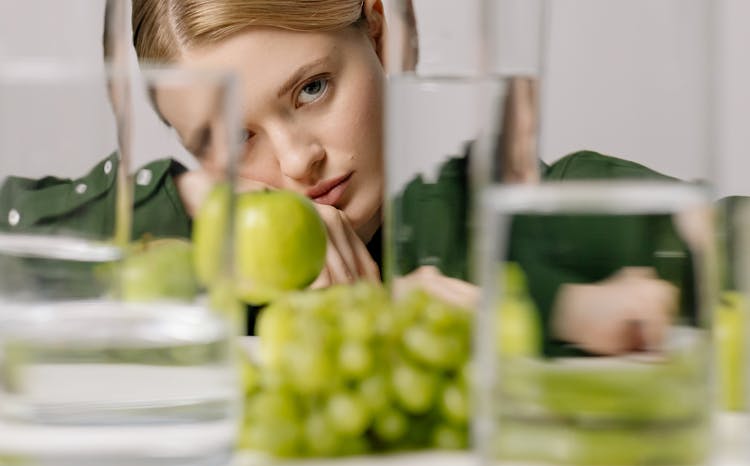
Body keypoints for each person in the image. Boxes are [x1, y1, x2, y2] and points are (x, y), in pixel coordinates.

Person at [0, 0, 699, 356]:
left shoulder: (523, 210)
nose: (297, 161)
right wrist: (183, 194)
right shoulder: (181, 259)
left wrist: (548, 311)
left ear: (381, 32)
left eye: (312, 89)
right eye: (233, 139)